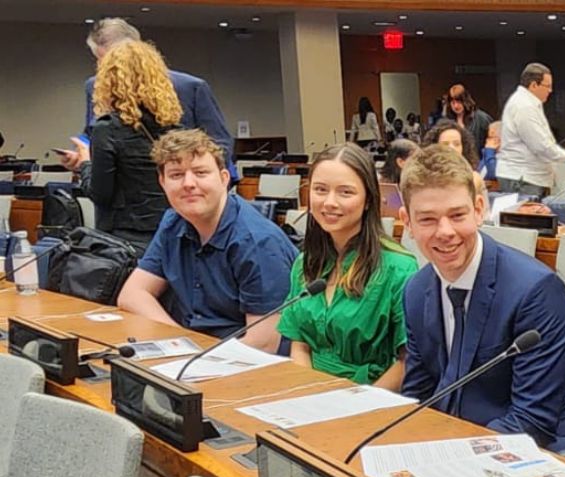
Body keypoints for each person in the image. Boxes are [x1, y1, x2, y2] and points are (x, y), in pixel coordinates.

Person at [399, 145, 565, 451]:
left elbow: (532, 421)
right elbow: (418, 395)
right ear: (407, 222)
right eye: (427, 220)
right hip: (456, 443)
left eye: (457, 215)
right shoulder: (415, 291)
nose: (445, 231)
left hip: (548, 450)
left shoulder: (536, 291)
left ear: (479, 209)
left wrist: (447, 454)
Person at [117, 129, 296, 353]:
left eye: (201, 173)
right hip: (197, 352)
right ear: (162, 182)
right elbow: (132, 294)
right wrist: (181, 342)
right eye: (176, 175)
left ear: (224, 179)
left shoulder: (258, 242)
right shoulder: (174, 221)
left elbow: (264, 344)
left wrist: (193, 357)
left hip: (248, 364)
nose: (188, 183)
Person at [277, 144, 418, 387]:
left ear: (367, 201)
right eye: (320, 190)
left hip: (372, 397)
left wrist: (357, 407)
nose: (329, 202)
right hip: (310, 394)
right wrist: (307, 394)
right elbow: (299, 346)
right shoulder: (304, 264)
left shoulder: (399, 269)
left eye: (345, 192)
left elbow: (407, 362)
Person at [66, 18, 236, 179]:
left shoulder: (191, 87)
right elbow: (91, 131)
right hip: (117, 194)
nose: (115, 68)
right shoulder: (94, 86)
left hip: (178, 187)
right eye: (105, 62)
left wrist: (197, 176)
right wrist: (80, 154)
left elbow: (219, 142)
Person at [69, 40, 180, 248]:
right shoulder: (175, 128)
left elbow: (100, 195)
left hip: (125, 239)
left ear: (109, 82)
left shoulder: (107, 129)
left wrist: (84, 163)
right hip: (172, 233)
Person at [496, 63, 565, 197]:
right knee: (526, 218)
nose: (550, 90)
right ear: (533, 85)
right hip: (523, 179)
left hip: (526, 178)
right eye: (547, 86)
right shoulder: (524, 106)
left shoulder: (527, 102)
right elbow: (541, 146)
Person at [444, 84, 493, 159]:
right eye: (453, 103)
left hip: (477, 164)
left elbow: (493, 141)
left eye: (459, 102)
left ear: (465, 101)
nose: (456, 106)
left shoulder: (481, 118)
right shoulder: (448, 121)